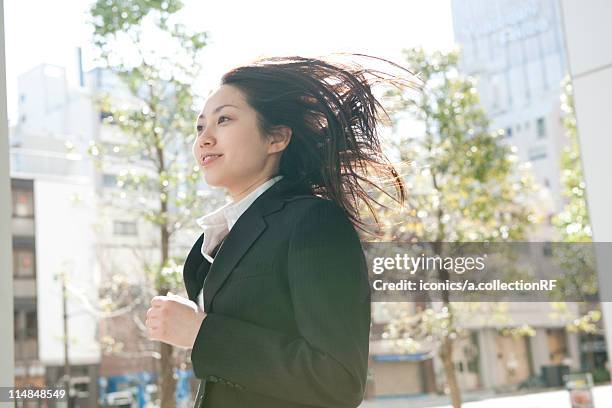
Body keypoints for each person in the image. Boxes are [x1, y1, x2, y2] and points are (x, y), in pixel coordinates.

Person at [145, 55, 408, 408]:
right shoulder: (212, 244)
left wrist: (200, 332)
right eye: (199, 126)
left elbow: (338, 380)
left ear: (277, 138)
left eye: (223, 119)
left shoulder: (313, 222)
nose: (204, 139)